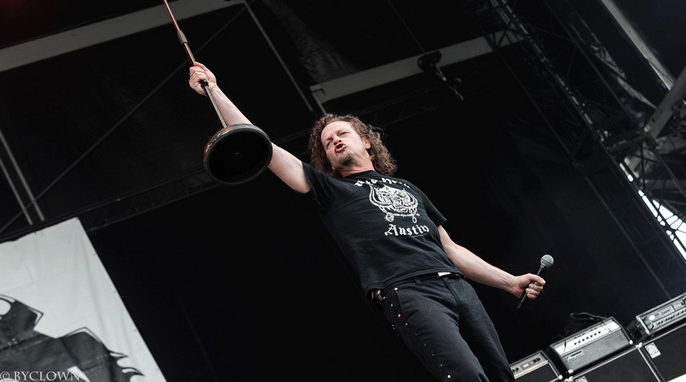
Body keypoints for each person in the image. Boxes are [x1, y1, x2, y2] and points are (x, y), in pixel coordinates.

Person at [188, 62, 546, 381]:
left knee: (500, 374)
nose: (334, 141)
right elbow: (260, 143)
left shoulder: (408, 188)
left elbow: (451, 249)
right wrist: (214, 91)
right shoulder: (330, 190)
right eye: (328, 142)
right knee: (466, 375)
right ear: (326, 159)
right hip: (408, 292)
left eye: (341, 134)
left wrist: (510, 281)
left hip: (456, 285)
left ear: (367, 142)